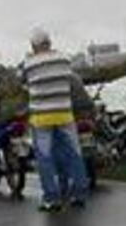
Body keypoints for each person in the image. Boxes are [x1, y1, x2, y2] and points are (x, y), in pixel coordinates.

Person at [22, 29, 89, 212]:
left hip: (41, 117)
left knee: (45, 158)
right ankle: (79, 194)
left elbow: (24, 82)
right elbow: (69, 79)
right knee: (74, 154)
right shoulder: (64, 59)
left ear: (34, 46)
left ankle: (51, 199)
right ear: (49, 42)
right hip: (64, 114)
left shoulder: (28, 64)